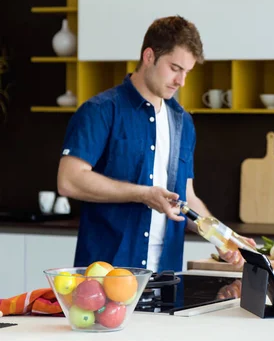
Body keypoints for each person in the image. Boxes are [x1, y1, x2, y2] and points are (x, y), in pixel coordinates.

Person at [57, 16, 250, 273]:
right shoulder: (100, 111)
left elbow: (187, 197)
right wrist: (143, 194)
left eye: (187, 72)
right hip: (106, 277)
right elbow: (69, 180)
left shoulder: (183, 122)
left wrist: (225, 237)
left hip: (165, 278)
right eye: (174, 68)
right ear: (149, 56)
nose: (181, 81)